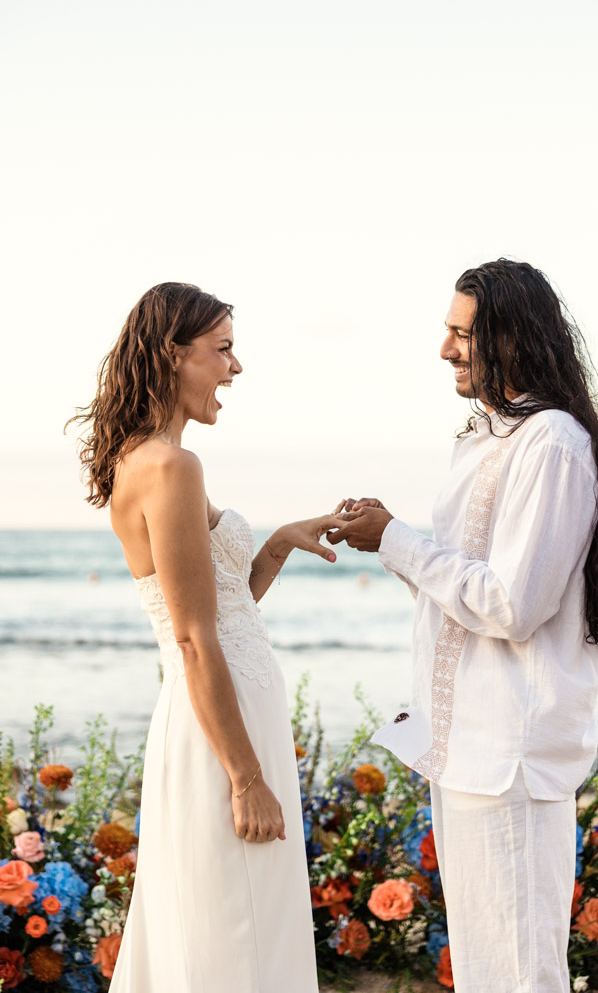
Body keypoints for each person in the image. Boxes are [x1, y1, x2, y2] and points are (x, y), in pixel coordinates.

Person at [328, 259, 598, 993]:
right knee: (485, 972)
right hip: (465, 744)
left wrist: (397, 540)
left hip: (510, 749)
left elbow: (513, 605)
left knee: (519, 974)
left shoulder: (551, 444)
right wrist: (387, 538)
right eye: (447, 332)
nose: (445, 349)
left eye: (461, 334)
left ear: (512, 338)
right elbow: (463, 583)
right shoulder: (486, 438)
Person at [69, 282, 339, 992]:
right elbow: (192, 640)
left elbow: (220, 609)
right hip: (222, 734)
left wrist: (277, 544)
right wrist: (245, 778)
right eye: (222, 350)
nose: (234, 368)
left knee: (231, 924)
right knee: (234, 934)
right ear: (171, 355)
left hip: (226, 716)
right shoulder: (169, 466)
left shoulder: (149, 459)